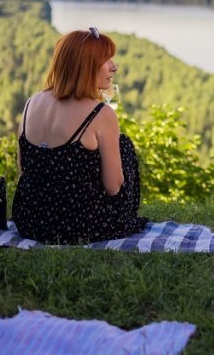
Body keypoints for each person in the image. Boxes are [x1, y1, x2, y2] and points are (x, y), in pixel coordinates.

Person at [12, 27, 148, 244]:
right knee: (123, 144)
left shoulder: (31, 103)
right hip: (79, 226)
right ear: (85, 65)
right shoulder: (101, 114)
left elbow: (23, 167)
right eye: (106, 60)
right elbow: (114, 189)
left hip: (30, 220)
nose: (114, 67)